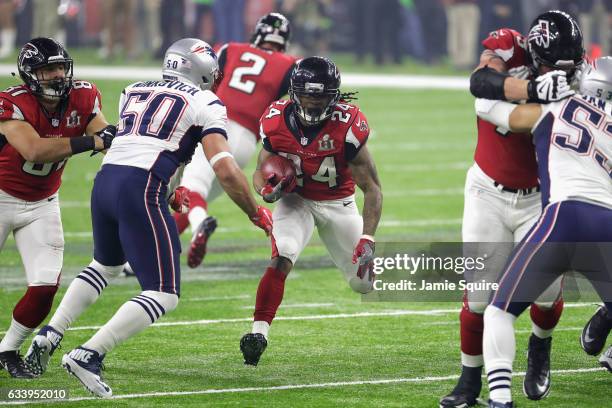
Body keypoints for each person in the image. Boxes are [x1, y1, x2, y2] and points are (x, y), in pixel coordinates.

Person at [23, 38, 273, 396]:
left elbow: (145, 141)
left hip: (106, 180)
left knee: (104, 266)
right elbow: (226, 169)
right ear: (201, 70)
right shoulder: (206, 101)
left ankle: (49, 335)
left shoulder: (134, 89)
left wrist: (170, 190)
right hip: (140, 187)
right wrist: (254, 211)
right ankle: (88, 354)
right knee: (163, 293)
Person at [440, 10, 585, 407]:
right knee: (479, 296)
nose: (565, 72)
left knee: (544, 292)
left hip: (542, 196)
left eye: (570, 66)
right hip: (487, 190)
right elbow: (480, 83)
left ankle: (540, 347)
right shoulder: (508, 48)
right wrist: (537, 89)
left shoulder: (582, 77)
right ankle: (469, 380)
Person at [475, 56, 612, 408]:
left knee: (499, 311)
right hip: (607, 225)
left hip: (563, 217)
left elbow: (490, 108)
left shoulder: (554, 105)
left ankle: (501, 399)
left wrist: (521, 88)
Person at [239, 56, 382, 366]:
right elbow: (260, 170)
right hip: (296, 201)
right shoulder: (275, 119)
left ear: (334, 95)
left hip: (339, 205)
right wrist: (265, 188)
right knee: (282, 255)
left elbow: (372, 187)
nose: (313, 102)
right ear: (293, 91)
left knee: (364, 283)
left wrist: (368, 236)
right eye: (306, 94)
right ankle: (258, 333)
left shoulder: (348, 124)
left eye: (320, 95)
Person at [0, 37, 114, 379]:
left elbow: (108, 137)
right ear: (30, 74)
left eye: (61, 67)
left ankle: (7, 349)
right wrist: (92, 141)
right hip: (1, 195)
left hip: (43, 201)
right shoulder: (11, 102)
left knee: (45, 287)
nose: (57, 75)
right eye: (48, 69)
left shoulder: (83, 96)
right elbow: (34, 150)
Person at [173, 12, 297, 269]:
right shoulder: (290, 64)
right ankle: (141, 261)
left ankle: (199, 227)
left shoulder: (230, 49)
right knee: (196, 197)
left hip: (217, 124)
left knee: (192, 187)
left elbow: (203, 83)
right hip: (246, 141)